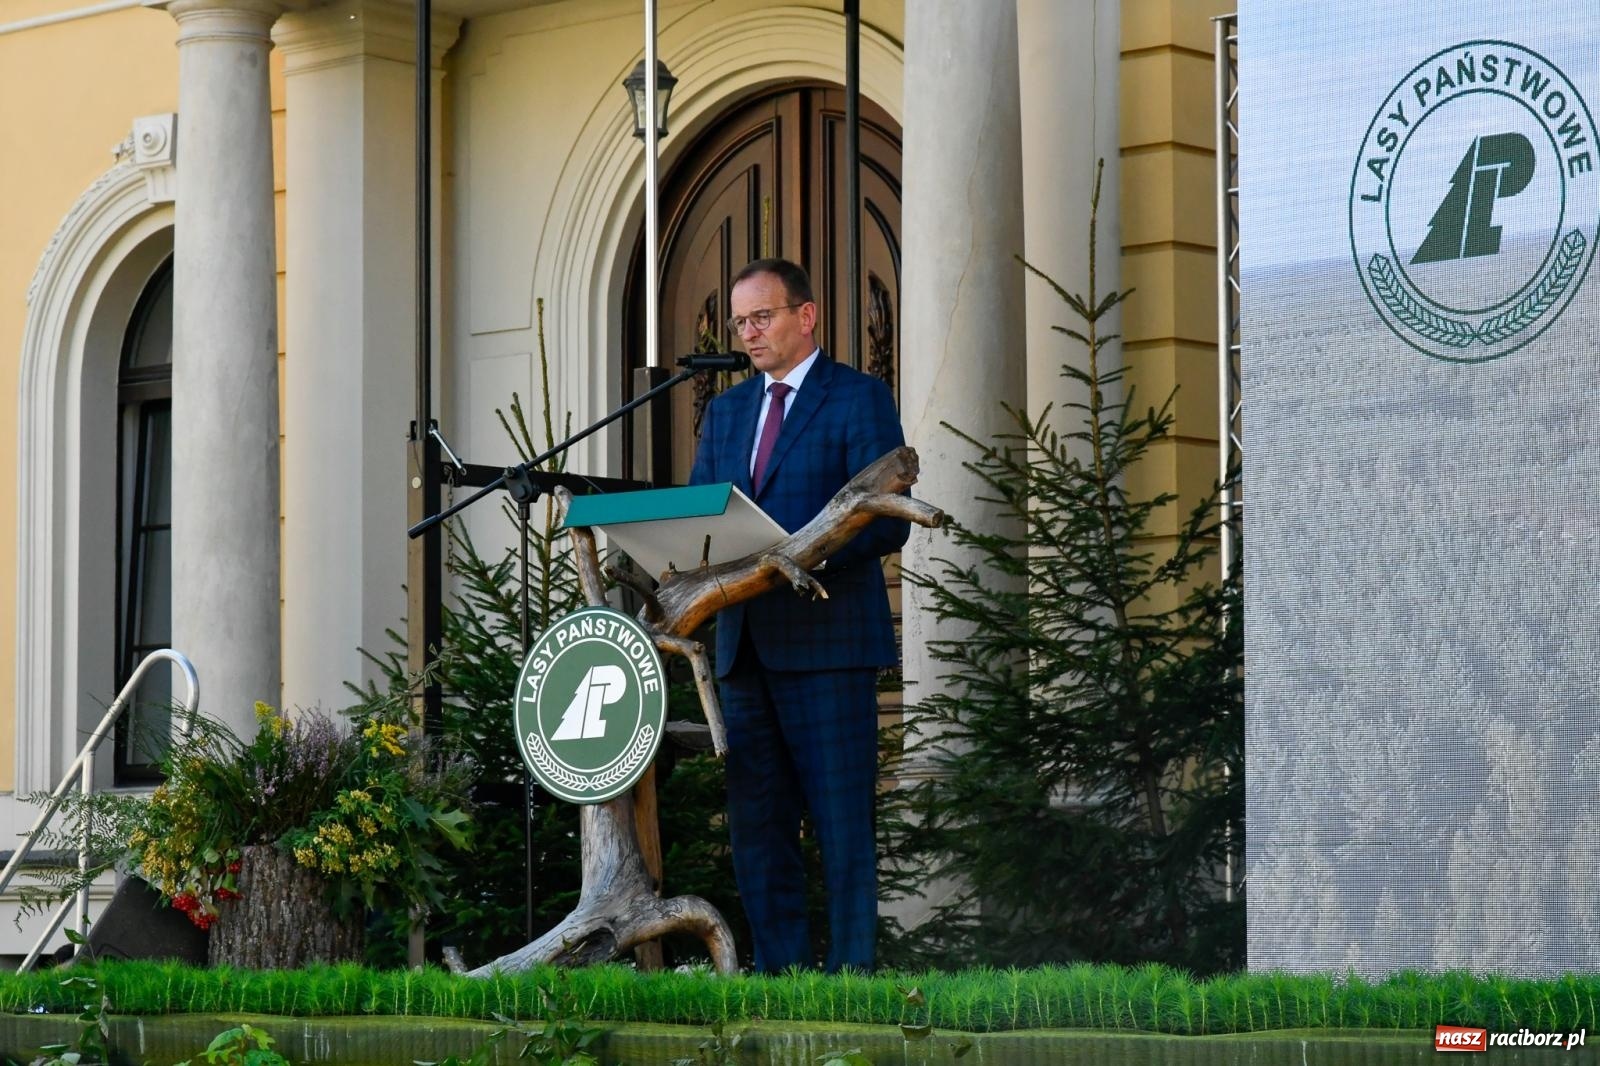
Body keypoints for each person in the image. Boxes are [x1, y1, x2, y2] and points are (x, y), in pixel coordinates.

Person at [688, 257, 909, 974]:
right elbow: (701, 517)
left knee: (843, 830)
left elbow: (886, 522)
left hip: (829, 646)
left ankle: (852, 987)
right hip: (744, 650)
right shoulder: (725, 413)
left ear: (805, 316)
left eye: (761, 317)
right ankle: (777, 980)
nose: (747, 333)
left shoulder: (857, 398)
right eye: (740, 322)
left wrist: (797, 553)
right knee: (759, 832)